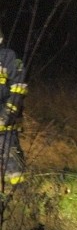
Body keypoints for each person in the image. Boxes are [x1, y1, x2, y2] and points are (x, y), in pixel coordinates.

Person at [0, 31, 27, 192]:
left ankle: (21, 194)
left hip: (6, 121)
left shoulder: (9, 58)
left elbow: (19, 87)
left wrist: (8, 113)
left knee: (11, 160)